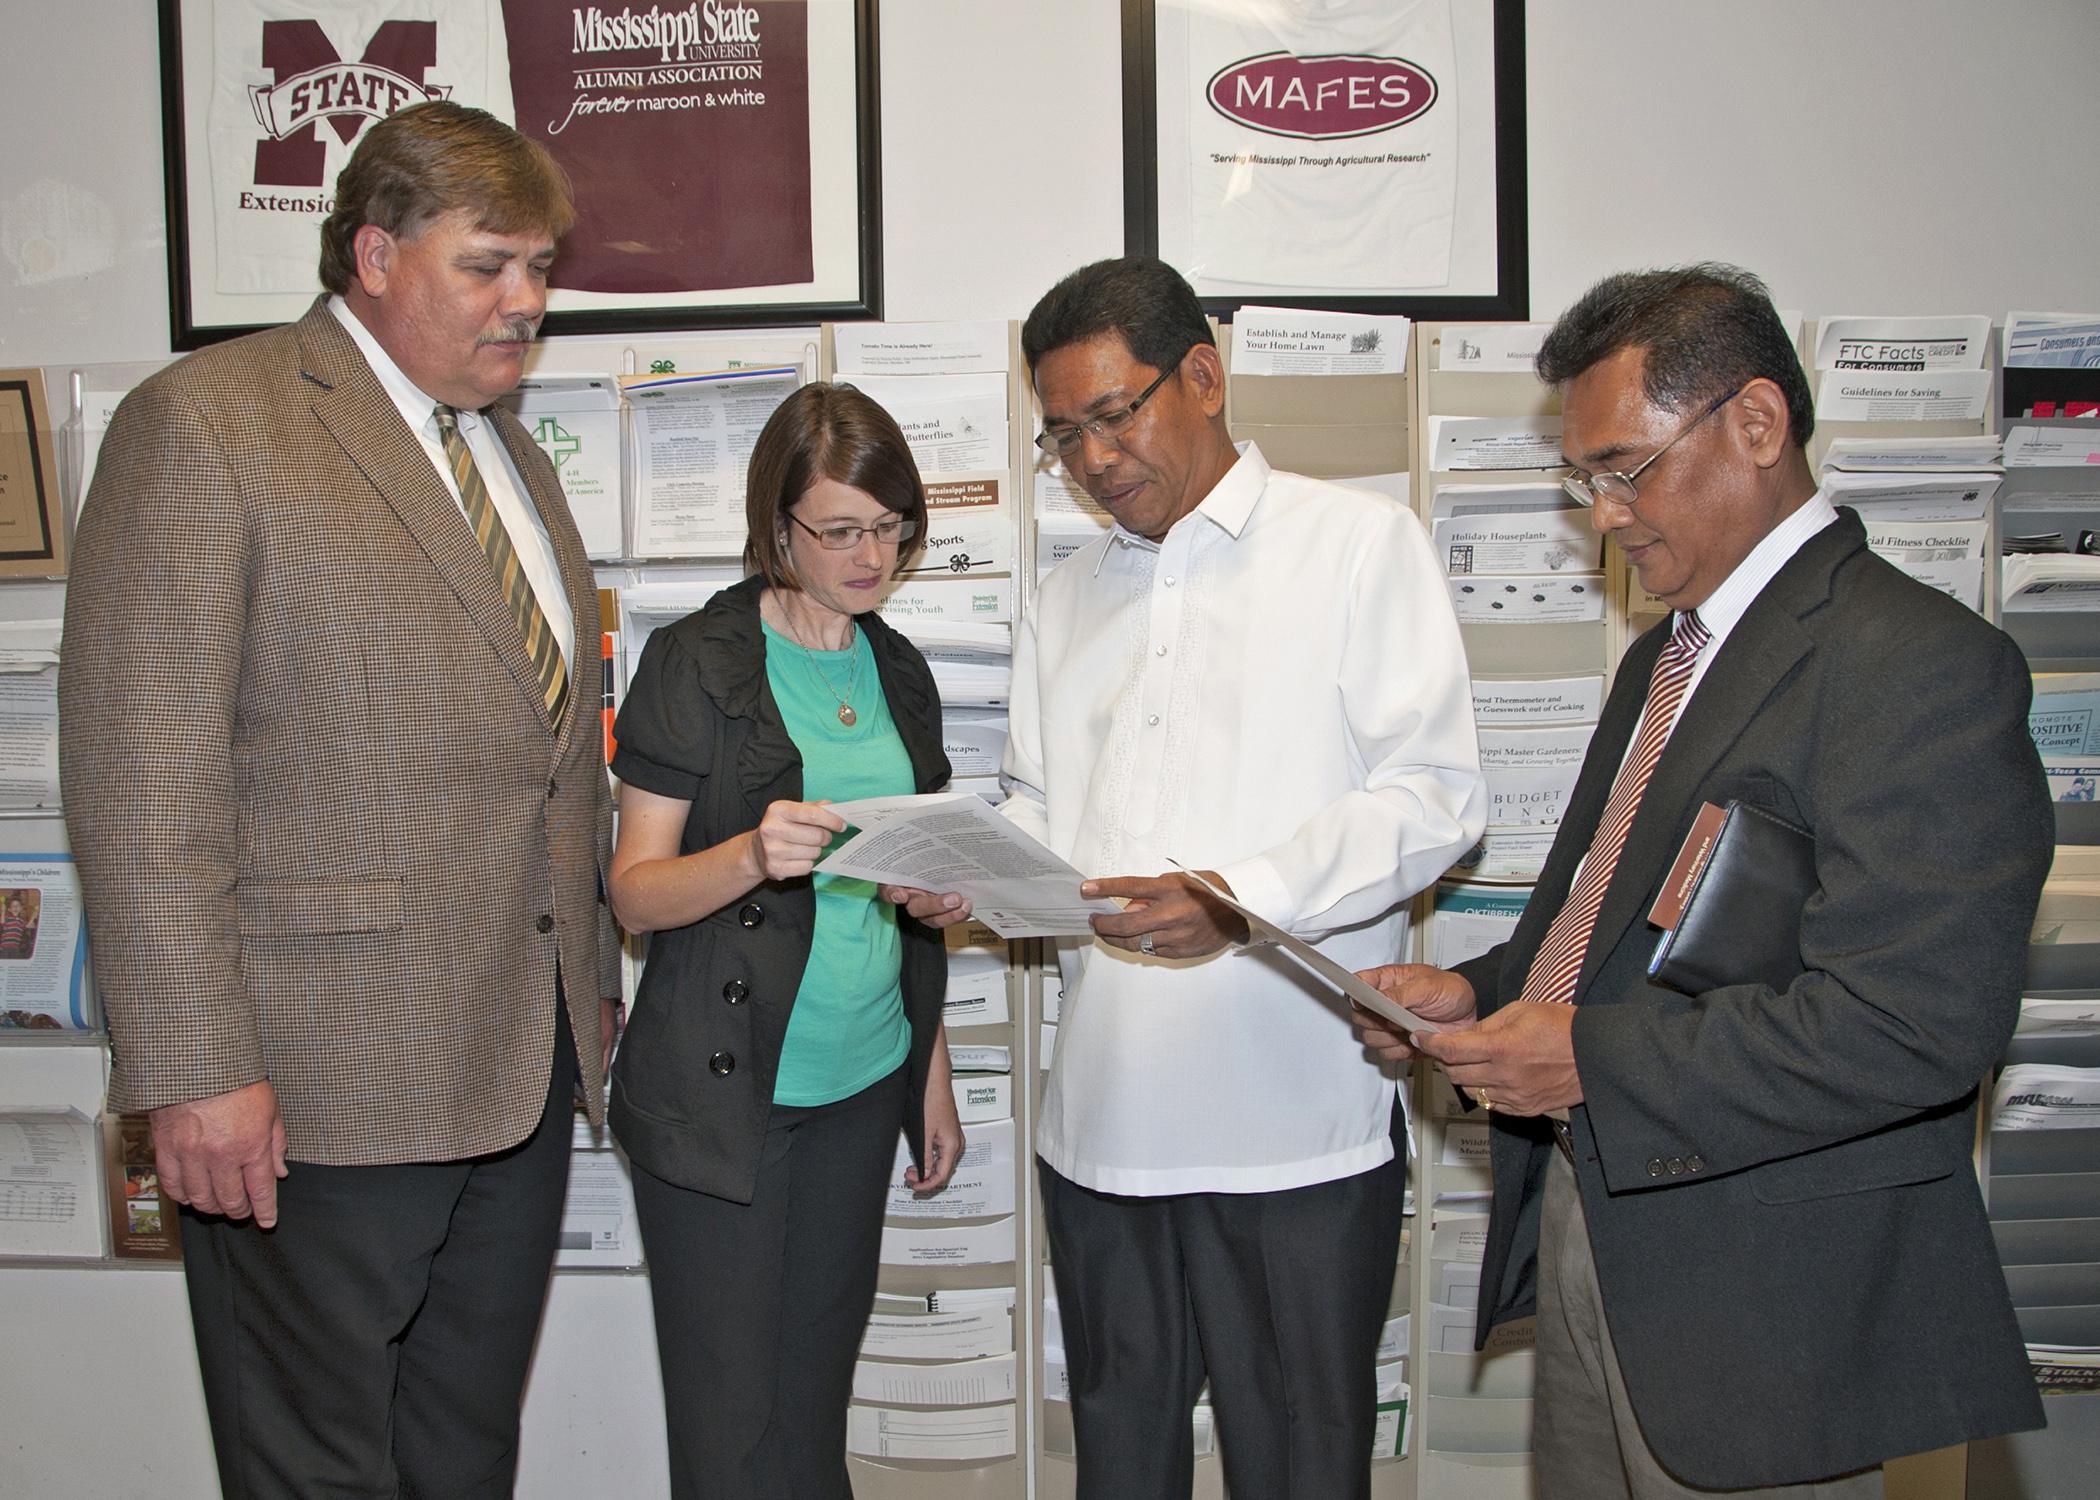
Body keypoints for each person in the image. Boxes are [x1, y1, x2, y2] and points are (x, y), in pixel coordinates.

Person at [1355, 263, 2050, 1497]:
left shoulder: (1922, 666)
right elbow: (1610, 927)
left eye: (1626, 467)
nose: (1605, 513)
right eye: (1586, 479)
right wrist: (1481, 992)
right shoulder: (1666, 658)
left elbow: (1918, 1025)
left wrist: (1589, 1063)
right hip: (1594, 1215)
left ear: (1757, 424)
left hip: (1763, 1300)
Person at [59, 101, 619, 1499]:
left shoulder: (511, 456)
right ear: (374, 254)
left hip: (514, 1067)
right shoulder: (209, 424)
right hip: (311, 1092)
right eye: (490, 264)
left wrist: (588, 996)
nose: (527, 301)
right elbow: (141, 784)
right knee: (314, 1468)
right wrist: (194, 1068)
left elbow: (545, 768)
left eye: (540, 267)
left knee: (458, 1454)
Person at [898, 256, 1486, 1499]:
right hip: (1103, 1124)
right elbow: (1051, 813)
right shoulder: (1064, 594)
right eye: (1064, 434)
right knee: (1121, 1458)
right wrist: (979, 883)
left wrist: (1242, 895)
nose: (1095, 457)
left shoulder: (1357, 545)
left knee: (1299, 1461)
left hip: (1299, 1129)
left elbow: (1435, 798)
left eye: (1116, 414)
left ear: (1205, 376)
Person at [606, 381, 963, 1500]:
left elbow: (909, 883)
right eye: (844, 530)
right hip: (725, 1096)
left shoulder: (898, 666)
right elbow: (633, 895)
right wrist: (750, 857)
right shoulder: (695, 661)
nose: (874, 557)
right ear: (777, 527)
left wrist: (931, 1068)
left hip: (861, 1080)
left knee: (812, 1405)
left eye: (894, 530)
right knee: (731, 1427)